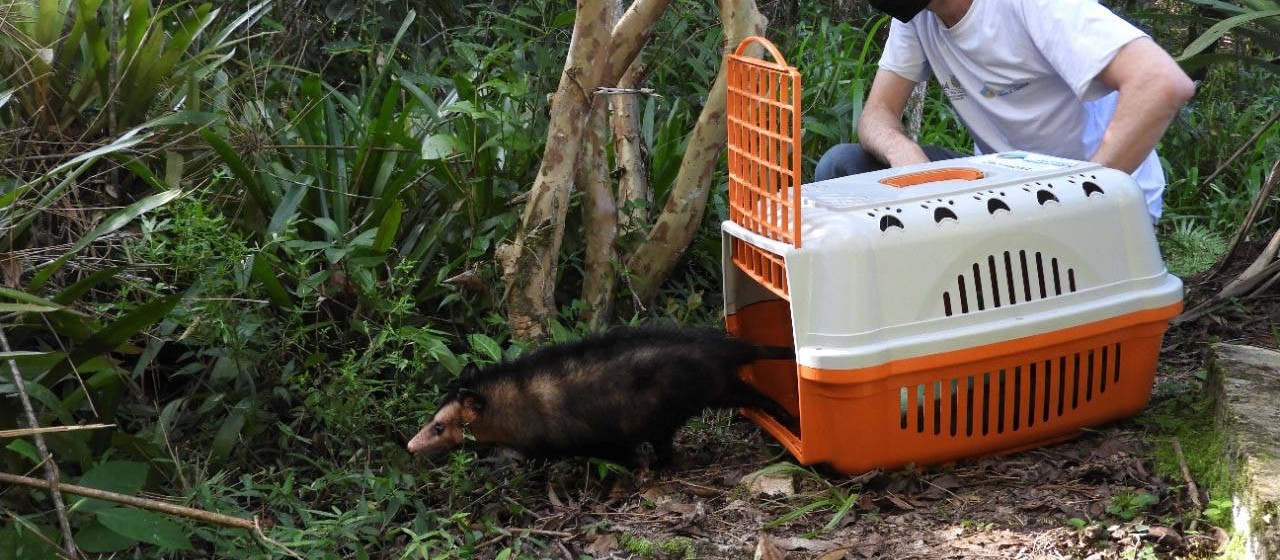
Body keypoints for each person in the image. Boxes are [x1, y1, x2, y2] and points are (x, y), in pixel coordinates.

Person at [816, 0, 1196, 221]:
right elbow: (876, 112)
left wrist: (1082, 197)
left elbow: (1160, 82)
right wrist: (909, 159)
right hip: (1005, 187)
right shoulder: (919, 18)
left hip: (1096, 201)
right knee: (844, 167)